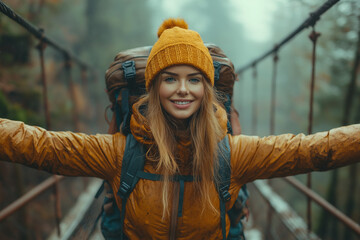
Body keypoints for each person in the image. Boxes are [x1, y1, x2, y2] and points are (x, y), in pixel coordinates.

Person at [0, 18, 359, 240]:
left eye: (194, 80)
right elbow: (42, 146)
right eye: (169, 78)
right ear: (154, 87)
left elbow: (313, 150)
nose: (183, 89)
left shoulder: (232, 155)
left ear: (207, 89)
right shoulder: (120, 152)